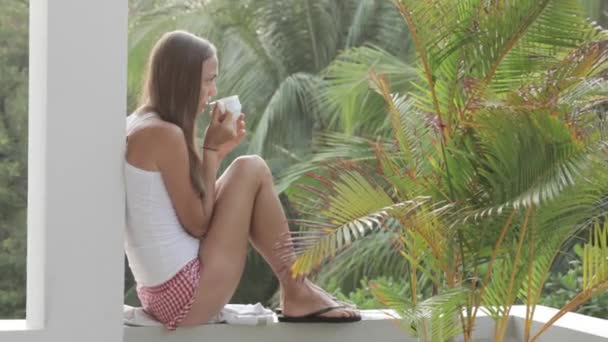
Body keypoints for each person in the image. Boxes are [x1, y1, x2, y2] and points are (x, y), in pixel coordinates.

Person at [124, 30, 360, 330]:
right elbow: (197, 224)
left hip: (161, 295)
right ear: (183, 79)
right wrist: (210, 151)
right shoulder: (163, 134)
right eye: (209, 79)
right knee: (252, 168)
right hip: (184, 298)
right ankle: (297, 289)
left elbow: (190, 213)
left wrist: (217, 153)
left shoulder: (139, 124)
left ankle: (298, 288)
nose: (213, 91)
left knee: (246, 169)